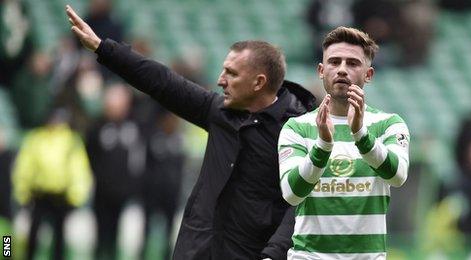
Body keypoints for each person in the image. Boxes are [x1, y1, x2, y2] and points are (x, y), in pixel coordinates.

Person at [66, 5, 316, 259]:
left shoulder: (297, 132)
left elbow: (298, 206)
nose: (220, 80)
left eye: (231, 73)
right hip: (196, 252)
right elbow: (163, 82)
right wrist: (103, 48)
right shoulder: (220, 112)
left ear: (259, 82)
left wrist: (273, 255)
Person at [278, 27, 410, 259]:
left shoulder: (388, 124)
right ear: (321, 70)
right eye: (334, 62)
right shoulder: (297, 127)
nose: (341, 69)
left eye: (352, 63)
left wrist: (360, 135)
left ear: (368, 74)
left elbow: (398, 175)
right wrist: (323, 146)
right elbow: (291, 194)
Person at [12, 108, 93, 260]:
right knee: (31, 235)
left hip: (61, 196)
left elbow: (78, 170)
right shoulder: (37, 138)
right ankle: (13, 255)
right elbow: (24, 167)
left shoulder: (71, 140)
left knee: (59, 237)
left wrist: (76, 196)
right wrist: (22, 192)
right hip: (39, 194)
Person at [86, 84, 143, 260]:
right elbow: (90, 154)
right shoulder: (98, 126)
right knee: (100, 233)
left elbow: (138, 158)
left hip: (122, 191)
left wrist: (132, 184)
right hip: (102, 190)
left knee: (116, 233)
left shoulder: (133, 126)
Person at [140, 109, 185, 260]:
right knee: (146, 229)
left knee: (169, 231)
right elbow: (146, 166)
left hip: (171, 194)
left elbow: (180, 169)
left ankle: (167, 256)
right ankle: (142, 254)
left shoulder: (178, 141)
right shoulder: (154, 139)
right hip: (152, 193)